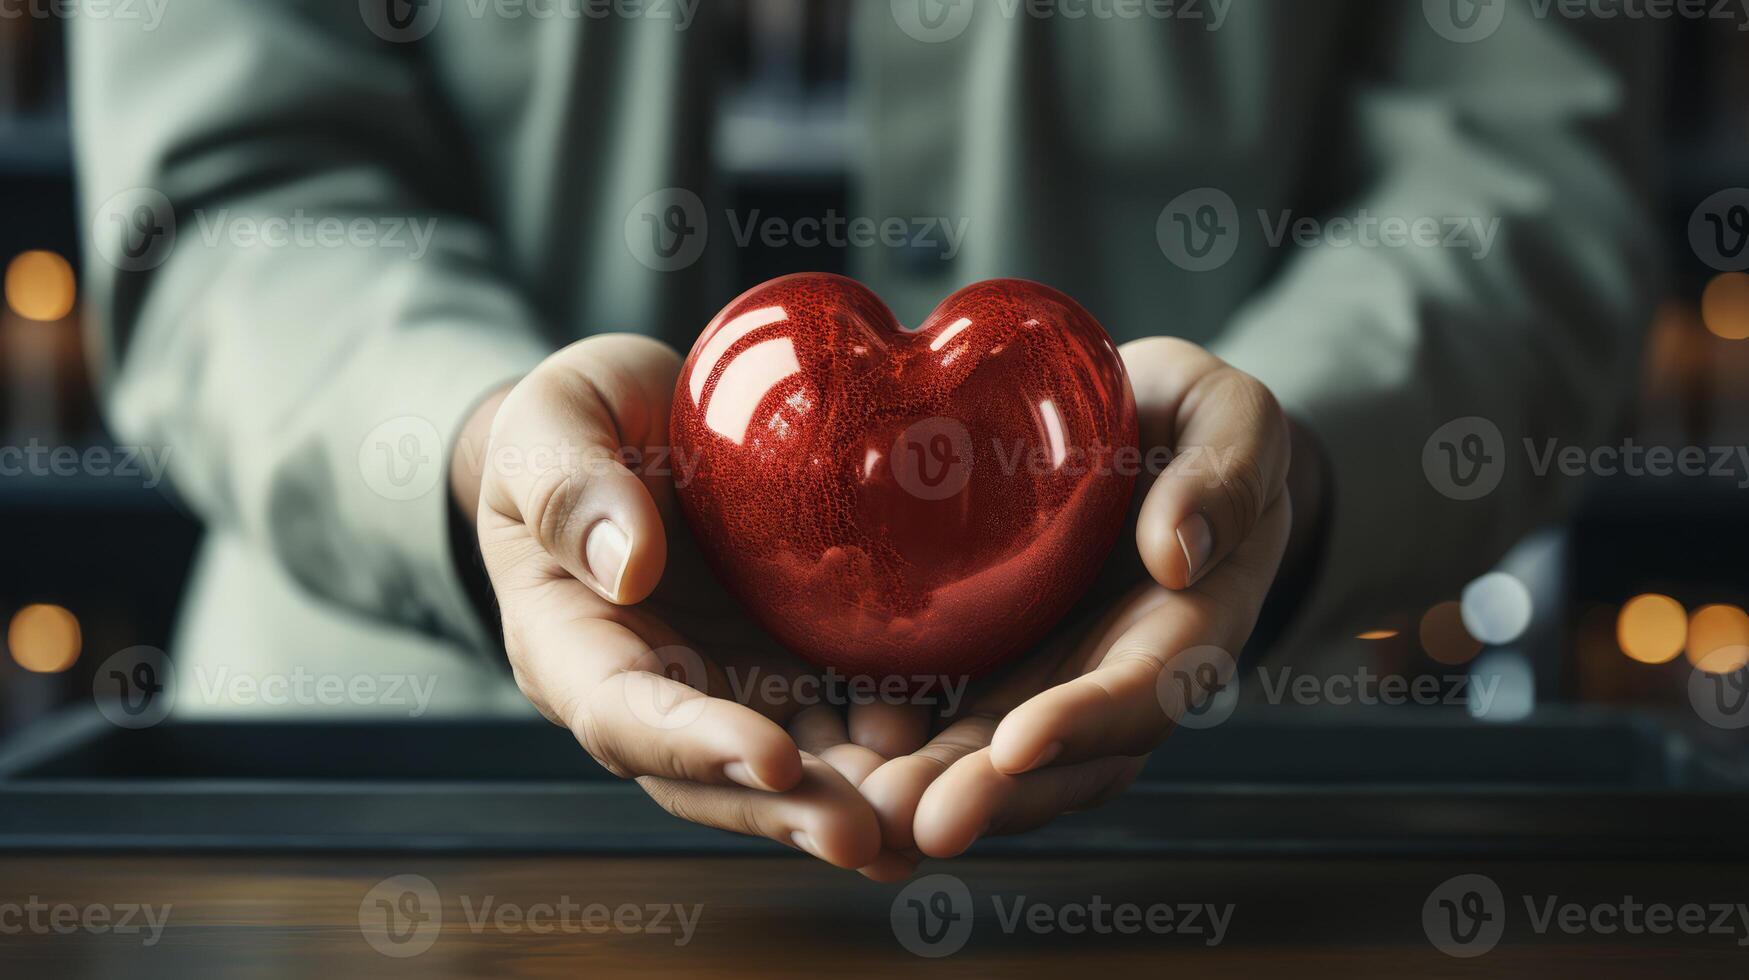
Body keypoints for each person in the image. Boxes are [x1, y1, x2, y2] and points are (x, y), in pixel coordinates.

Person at [72, 3, 1661, 880]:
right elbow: (222, 194)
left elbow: (1523, 177)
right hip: (391, 807)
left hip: (1188, 783)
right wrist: (482, 451)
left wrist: (1278, 472)